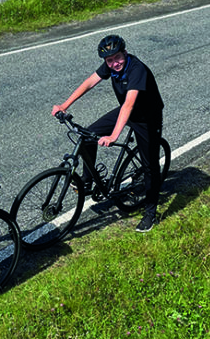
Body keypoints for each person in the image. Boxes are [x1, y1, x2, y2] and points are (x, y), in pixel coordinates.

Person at [51, 35, 165, 232]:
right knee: (88, 134)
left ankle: (150, 213)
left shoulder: (136, 69)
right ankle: (87, 181)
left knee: (150, 168)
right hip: (126, 112)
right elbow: (89, 82)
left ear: (125, 53)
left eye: (118, 57)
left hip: (147, 117)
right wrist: (64, 105)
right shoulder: (110, 66)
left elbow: (129, 104)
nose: (115, 63)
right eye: (110, 60)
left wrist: (114, 136)